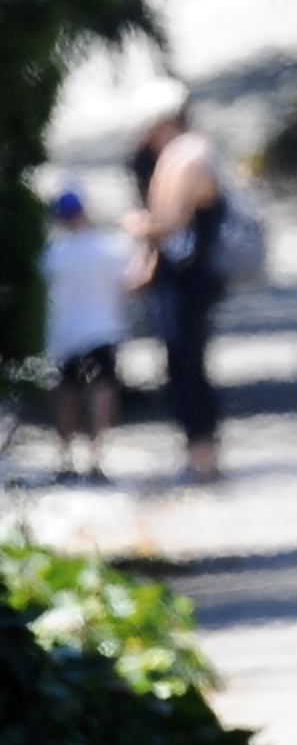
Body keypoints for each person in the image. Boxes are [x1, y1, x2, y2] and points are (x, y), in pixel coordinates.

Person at [127, 98, 228, 482]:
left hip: (190, 279)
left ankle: (203, 451)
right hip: (180, 278)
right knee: (181, 362)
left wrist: (139, 225)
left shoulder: (187, 157)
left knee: (187, 363)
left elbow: (170, 221)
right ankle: (198, 449)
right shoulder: (175, 156)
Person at [41, 186, 131, 482]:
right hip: (100, 330)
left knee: (66, 392)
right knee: (101, 390)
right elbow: (128, 281)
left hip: (65, 335)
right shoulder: (110, 248)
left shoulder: (52, 254)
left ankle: (64, 457)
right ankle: (95, 455)